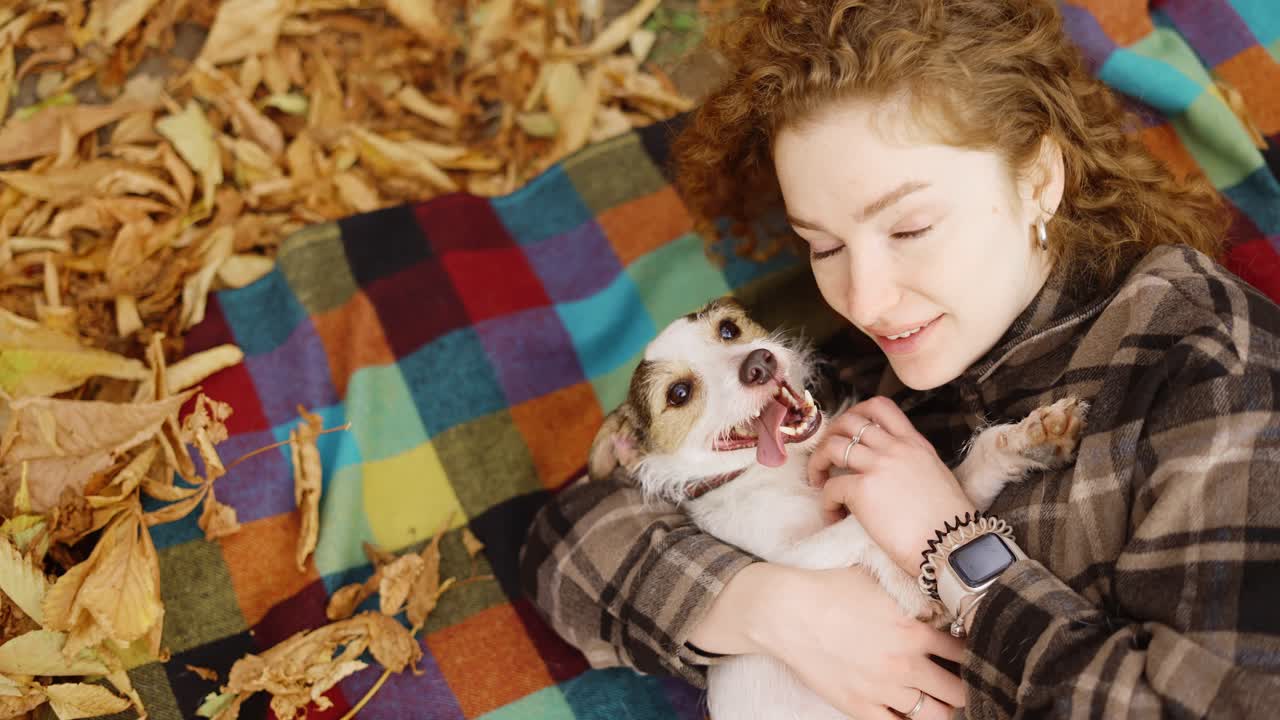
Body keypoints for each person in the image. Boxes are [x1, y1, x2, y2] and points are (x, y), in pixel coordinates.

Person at [519, 1, 1280, 717]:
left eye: (910, 227)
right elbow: (566, 539)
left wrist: (951, 545)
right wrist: (776, 610)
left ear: (1039, 180)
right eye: (822, 245)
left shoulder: (1213, 371)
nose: (866, 298)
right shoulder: (898, 360)